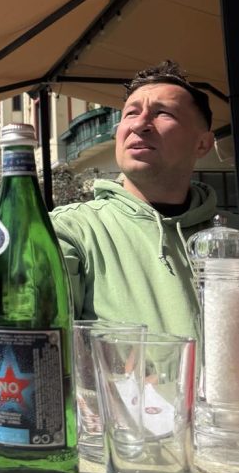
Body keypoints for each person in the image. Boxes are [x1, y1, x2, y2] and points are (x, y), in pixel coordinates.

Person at [50, 59, 236, 340]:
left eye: (163, 113)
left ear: (203, 144)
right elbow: (40, 349)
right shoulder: (69, 231)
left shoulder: (232, 236)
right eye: (130, 113)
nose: (139, 124)